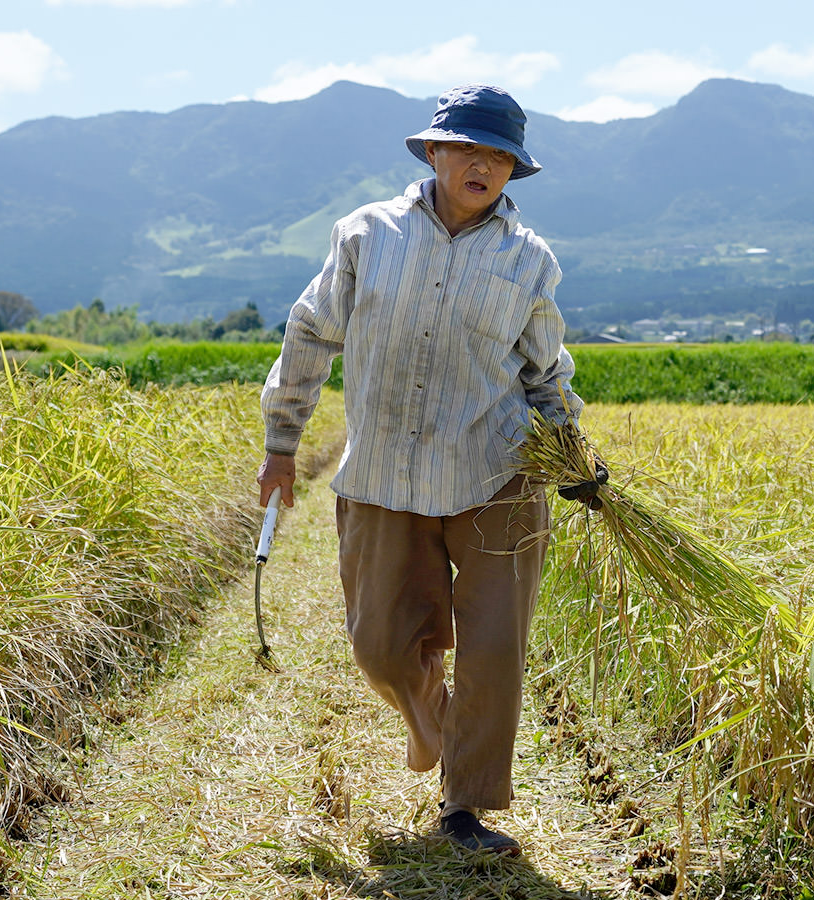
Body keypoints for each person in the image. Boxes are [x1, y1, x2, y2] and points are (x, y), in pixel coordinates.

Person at [256, 83, 596, 855]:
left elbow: (547, 374)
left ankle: (465, 808)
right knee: (378, 645)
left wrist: (573, 453)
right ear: (433, 151)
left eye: (500, 155)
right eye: (468, 147)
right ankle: (429, 720)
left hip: (497, 474)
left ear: (514, 170)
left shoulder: (528, 260)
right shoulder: (366, 235)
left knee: (493, 648)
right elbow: (310, 334)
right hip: (383, 474)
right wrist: (282, 445)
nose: (484, 164)